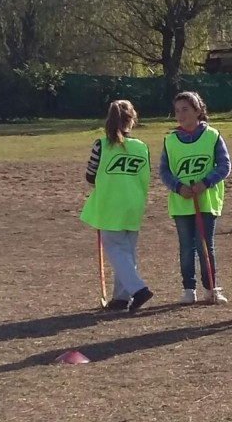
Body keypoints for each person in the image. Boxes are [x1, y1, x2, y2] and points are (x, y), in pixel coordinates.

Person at [80, 100, 153, 313]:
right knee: (126, 253)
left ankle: (138, 289)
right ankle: (121, 299)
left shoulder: (101, 145)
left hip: (110, 205)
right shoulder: (141, 147)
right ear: (132, 119)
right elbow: (144, 177)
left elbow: (90, 175)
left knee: (116, 251)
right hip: (133, 204)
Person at [160, 91, 231, 304]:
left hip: (206, 201)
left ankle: (210, 288)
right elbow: (164, 171)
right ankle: (188, 289)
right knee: (185, 247)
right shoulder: (170, 140)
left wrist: (205, 183)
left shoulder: (212, 136)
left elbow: (224, 165)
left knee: (204, 245)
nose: (181, 115)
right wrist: (178, 187)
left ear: (198, 111)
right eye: (177, 111)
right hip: (182, 203)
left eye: (186, 110)